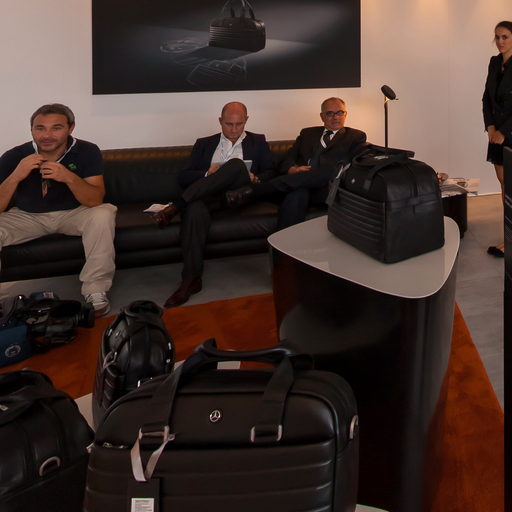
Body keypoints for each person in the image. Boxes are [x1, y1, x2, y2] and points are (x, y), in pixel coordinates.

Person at [153, 101, 274, 308]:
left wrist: (255, 178)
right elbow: (184, 177)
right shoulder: (204, 144)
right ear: (220, 121)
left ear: (246, 120)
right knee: (194, 209)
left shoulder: (258, 141)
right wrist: (208, 173)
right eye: (229, 124)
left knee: (236, 165)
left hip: (239, 197)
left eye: (239, 124)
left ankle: (176, 206)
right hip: (210, 199)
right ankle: (190, 280)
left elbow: (271, 172)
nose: (234, 130)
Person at [0, 104, 116, 316]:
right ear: (31, 129)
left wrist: (68, 177)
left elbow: (95, 200)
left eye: (56, 128)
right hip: (27, 216)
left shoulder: (87, 151)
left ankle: (95, 289)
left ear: (71, 128)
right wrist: (16, 175)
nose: (47, 135)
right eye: (40, 128)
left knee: (104, 213)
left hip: (73, 213)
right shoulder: (15, 155)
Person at [225, 97, 367, 229]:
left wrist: (311, 174)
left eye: (340, 112)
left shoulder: (355, 137)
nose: (335, 117)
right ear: (322, 116)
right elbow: (286, 160)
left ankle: (256, 190)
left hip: (326, 187)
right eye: (330, 113)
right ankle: (283, 245)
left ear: (345, 114)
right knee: (298, 193)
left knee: (330, 170)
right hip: (298, 186)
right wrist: (292, 169)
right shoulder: (308, 134)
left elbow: (348, 166)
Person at [483, 20, 512, 258]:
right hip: (496, 134)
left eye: (505, 37)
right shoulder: (494, 63)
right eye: (497, 37)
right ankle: (509, 237)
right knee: (504, 183)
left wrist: (505, 131)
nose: (500, 42)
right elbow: (487, 99)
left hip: (510, 133)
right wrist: (491, 127)